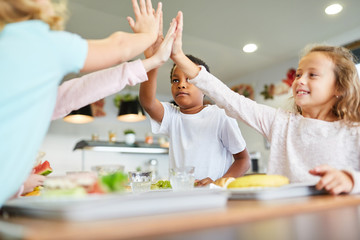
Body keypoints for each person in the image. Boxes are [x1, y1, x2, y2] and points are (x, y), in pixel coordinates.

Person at [0, 0, 178, 205]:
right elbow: (119, 46)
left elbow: (74, 94)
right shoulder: (35, 39)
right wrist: (148, 36)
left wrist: (152, 62)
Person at [170, 13, 360, 195]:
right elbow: (228, 98)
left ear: (340, 87)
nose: (300, 80)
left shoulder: (353, 131)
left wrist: (350, 179)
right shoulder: (282, 124)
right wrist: (178, 56)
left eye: (313, 75)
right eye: (299, 74)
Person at [138, 12, 250, 186]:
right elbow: (147, 102)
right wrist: (152, 61)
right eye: (175, 80)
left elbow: (243, 160)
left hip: (214, 199)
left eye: (189, 80)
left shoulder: (220, 115)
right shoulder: (173, 116)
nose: (181, 85)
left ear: (205, 86)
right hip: (182, 197)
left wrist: (218, 182)